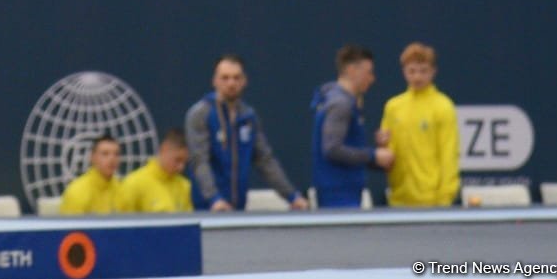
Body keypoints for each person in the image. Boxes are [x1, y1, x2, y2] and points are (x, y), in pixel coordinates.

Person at [185, 55, 307, 211]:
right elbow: (199, 161)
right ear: (214, 81)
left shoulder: (248, 117)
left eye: (236, 78)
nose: (231, 83)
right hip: (207, 208)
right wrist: (214, 199)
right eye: (225, 78)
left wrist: (292, 196)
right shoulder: (200, 114)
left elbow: (265, 161)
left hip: (238, 208)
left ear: (244, 81)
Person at [311, 44, 394, 208]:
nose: (372, 79)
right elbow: (332, 149)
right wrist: (373, 155)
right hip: (339, 197)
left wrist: (376, 157)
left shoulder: (338, 101)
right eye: (368, 72)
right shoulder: (341, 104)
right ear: (351, 70)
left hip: (341, 192)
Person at [378, 43, 459, 208]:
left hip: (433, 201)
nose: (417, 77)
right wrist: (382, 145)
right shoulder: (393, 107)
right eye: (412, 71)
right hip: (398, 199)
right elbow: (388, 155)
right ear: (404, 71)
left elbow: (449, 155)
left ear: (433, 71)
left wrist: (444, 199)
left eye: (423, 71)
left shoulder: (443, 106)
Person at [118, 129, 193, 213]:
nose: (181, 167)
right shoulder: (133, 183)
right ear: (164, 149)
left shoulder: (184, 185)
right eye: (178, 160)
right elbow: (122, 219)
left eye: (185, 162)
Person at [59, 134, 123, 214]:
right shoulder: (77, 191)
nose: (112, 159)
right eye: (105, 154)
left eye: (116, 154)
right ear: (92, 157)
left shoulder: (121, 188)